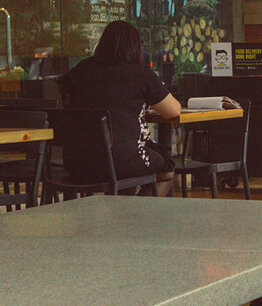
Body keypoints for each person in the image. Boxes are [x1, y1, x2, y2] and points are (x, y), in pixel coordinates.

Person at [58, 20, 182, 195]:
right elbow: (173, 111)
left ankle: (122, 209)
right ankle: (131, 212)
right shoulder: (140, 73)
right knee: (166, 173)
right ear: (135, 47)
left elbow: (61, 92)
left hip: (76, 163)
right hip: (120, 161)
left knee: (125, 159)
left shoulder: (82, 69)